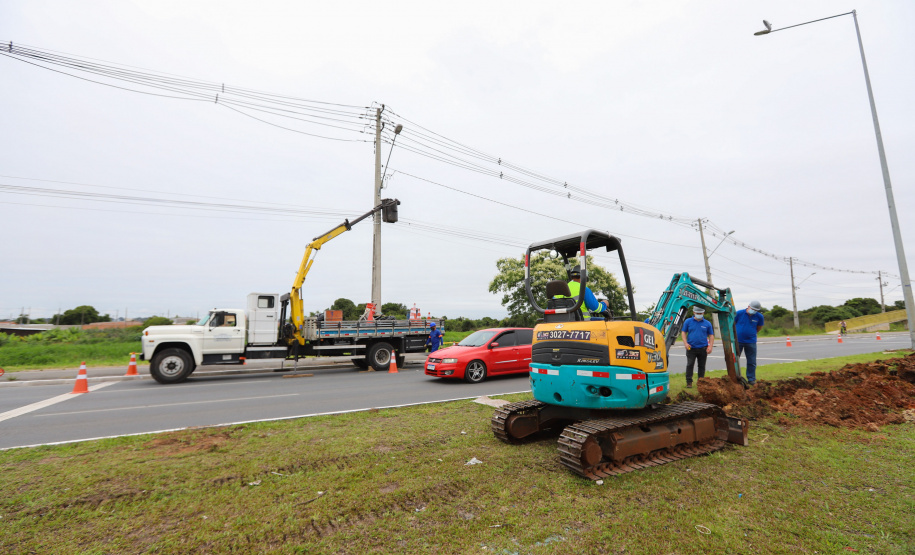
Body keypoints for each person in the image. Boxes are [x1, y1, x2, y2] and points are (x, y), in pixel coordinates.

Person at [681, 306, 714, 388]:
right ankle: (689, 382)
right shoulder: (688, 321)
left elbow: (711, 335)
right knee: (690, 365)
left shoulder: (707, 323)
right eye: (697, 313)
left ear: (703, 313)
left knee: (702, 366)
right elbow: (683, 332)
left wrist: (710, 346)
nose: (699, 315)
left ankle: (701, 382)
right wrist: (685, 343)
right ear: (694, 312)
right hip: (691, 348)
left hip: (703, 348)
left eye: (701, 313)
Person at [735, 300, 765, 386]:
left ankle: (751, 379)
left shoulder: (759, 316)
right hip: (738, 341)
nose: (753, 311)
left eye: (756, 310)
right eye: (752, 309)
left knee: (751, 361)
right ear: (748, 306)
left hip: (751, 341)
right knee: (735, 360)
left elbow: (759, 327)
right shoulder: (739, 313)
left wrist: (751, 333)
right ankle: (735, 377)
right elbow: (733, 323)